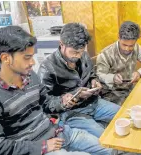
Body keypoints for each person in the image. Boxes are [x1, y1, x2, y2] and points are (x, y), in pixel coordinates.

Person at [0, 25, 110, 155]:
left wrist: (63, 101)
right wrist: (41, 147)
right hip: (36, 148)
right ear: (6, 58)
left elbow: (47, 104)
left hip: (58, 133)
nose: (33, 62)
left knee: (109, 148)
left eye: (32, 56)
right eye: (27, 57)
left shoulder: (31, 77)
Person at [38, 23, 119, 154]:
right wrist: (63, 101)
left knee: (124, 116)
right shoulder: (47, 68)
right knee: (106, 141)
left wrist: (94, 80)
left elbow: (91, 73)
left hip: (93, 102)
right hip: (73, 112)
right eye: (74, 52)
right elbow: (44, 103)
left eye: (81, 51)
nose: (79, 55)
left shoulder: (83, 55)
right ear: (61, 44)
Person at [96, 21, 141, 105]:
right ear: (118, 37)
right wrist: (113, 78)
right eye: (124, 44)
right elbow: (99, 75)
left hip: (130, 89)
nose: (127, 49)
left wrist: (139, 73)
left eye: (131, 46)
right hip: (111, 94)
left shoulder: (137, 48)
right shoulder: (105, 54)